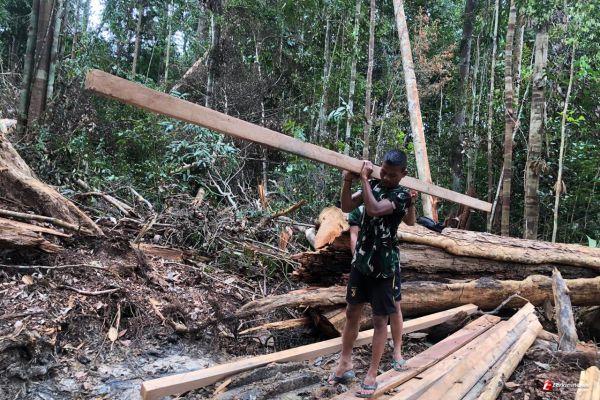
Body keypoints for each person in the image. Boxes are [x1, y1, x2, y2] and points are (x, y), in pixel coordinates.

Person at [328, 150, 417, 398]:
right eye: (383, 172)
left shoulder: (401, 196)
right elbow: (347, 206)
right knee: (351, 312)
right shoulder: (375, 185)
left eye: (392, 175)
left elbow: (376, 209)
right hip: (361, 263)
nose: (386, 178)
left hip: (383, 268)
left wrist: (365, 179)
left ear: (403, 174)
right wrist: (348, 181)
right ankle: (345, 362)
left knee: (380, 321)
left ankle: (372, 373)